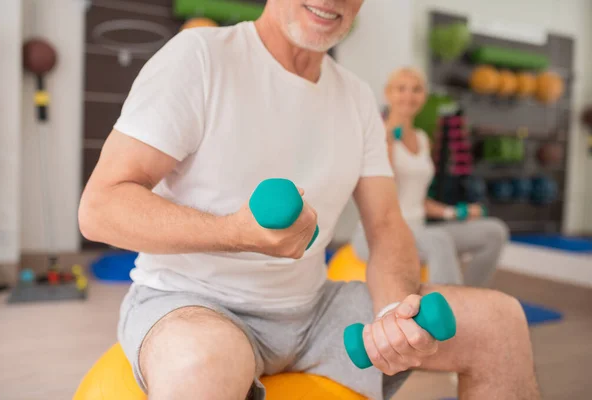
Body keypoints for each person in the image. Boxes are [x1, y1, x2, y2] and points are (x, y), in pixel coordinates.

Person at [78, 1, 539, 399]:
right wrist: (235, 234)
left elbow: (385, 223)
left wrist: (393, 312)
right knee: (201, 365)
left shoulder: (357, 98)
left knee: (499, 320)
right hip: (193, 301)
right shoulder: (198, 58)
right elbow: (100, 207)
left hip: (314, 310)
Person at [352, 67, 509, 286]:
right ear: (388, 94)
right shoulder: (376, 134)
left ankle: (470, 296)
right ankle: (452, 308)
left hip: (420, 230)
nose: (408, 95)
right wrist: (388, 142)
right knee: (438, 240)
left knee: (495, 232)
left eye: (416, 89)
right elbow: (383, 194)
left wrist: (455, 212)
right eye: (401, 89)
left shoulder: (423, 139)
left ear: (424, 97)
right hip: (379, 235)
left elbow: (417, 199)